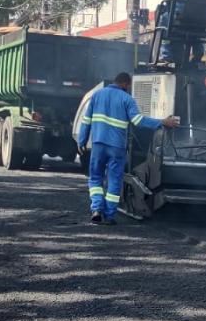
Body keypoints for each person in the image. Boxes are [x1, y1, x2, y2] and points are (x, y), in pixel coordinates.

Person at [76, 72, 180, 225]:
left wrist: (82, 141)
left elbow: (86, 121)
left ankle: (97, 209)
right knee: (114, 180)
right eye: (129, 85)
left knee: (95, 177)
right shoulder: (127, 99)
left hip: (98, 144)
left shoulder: (97, 95)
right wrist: (162, 122)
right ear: (125, 83)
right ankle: (110, 216)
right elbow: (138, 120)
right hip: (117, 147)